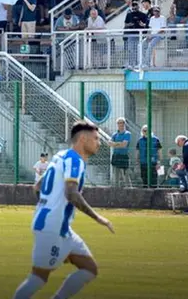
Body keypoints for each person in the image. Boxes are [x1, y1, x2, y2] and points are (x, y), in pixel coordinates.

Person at [12, 121, 114, 299]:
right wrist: (98, 218)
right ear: (83, 139)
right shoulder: (75, 160)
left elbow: (37, 187)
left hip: (59, 227)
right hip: (53, 228)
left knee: (90, 269)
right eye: (96, 138)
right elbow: (71, 193)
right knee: (38, 277)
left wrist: (47, 206)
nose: (99, 143)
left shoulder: (60, 156)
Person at [108, 117, 132, 187]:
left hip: (124, 156)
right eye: (119, 123)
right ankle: (115, 192)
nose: (121, 124)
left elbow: (124, 145)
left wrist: (114, 144)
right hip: (116, 156)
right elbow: (109, 143)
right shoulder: (114, 134)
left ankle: (130, 191)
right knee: (116, 177)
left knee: (126, 176)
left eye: (122, 123)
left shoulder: (127, 134)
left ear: (124, 124)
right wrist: (119, 144)